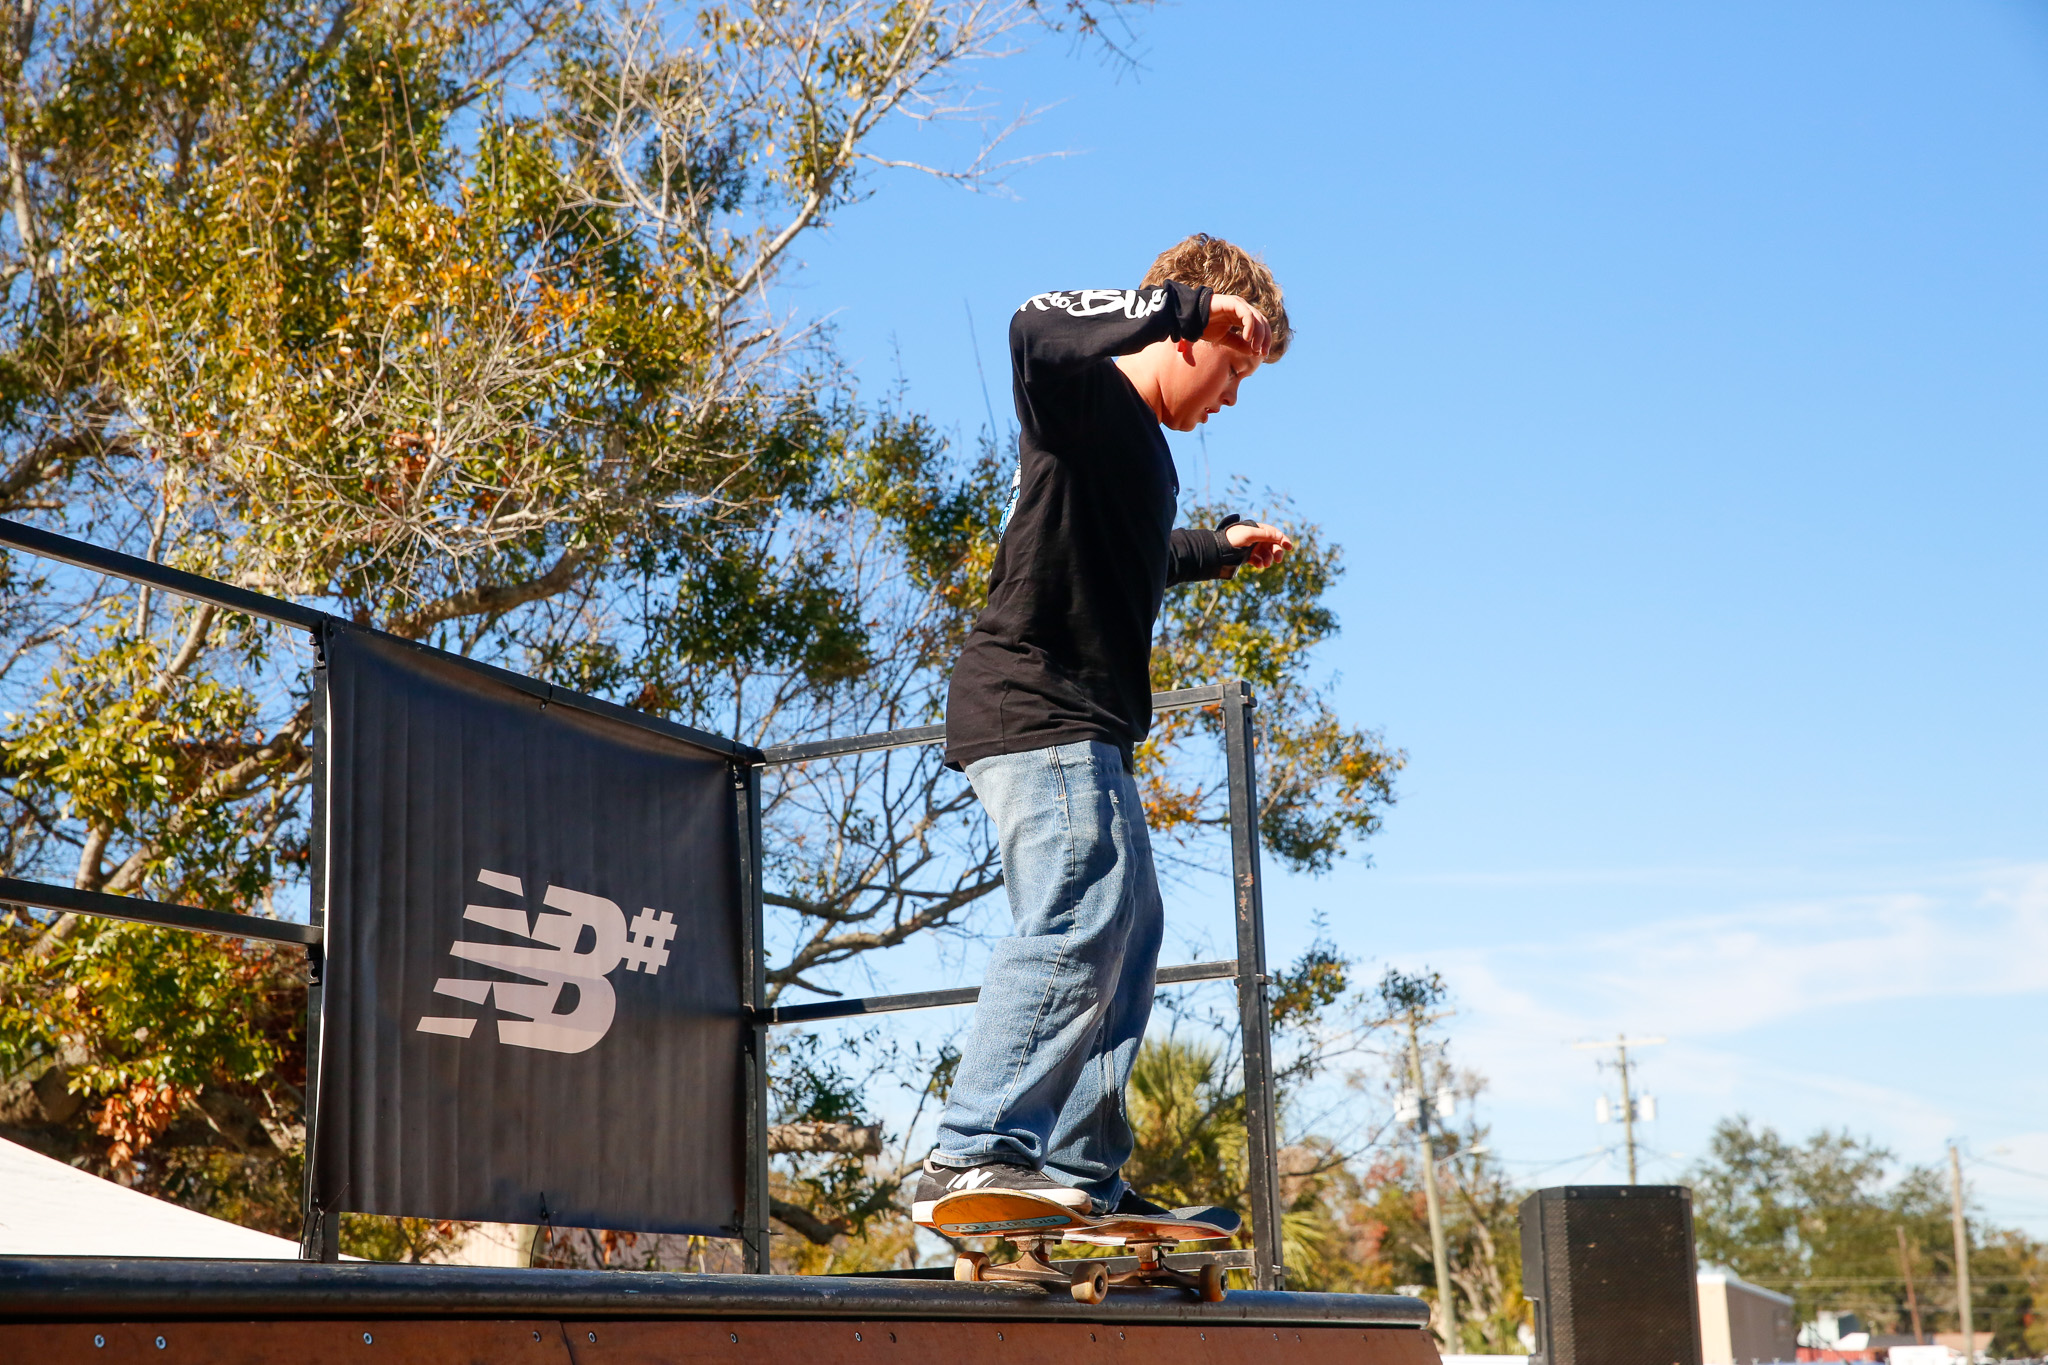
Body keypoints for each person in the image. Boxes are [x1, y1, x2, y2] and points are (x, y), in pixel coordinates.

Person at [910, 234, 1295, 1234]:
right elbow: (1031, 323)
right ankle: (977, 1149)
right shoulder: (1081, 397)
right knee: (1081, 902)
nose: (1231, 399)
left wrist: (1216, 549)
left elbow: (1134, 557)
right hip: (1033, 704)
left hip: (1084, 722)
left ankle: (1078, 1167)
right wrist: (1176, 305)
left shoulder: (1142, 457)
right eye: (1235, 369)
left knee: (1128, 933)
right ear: (1200, 332)